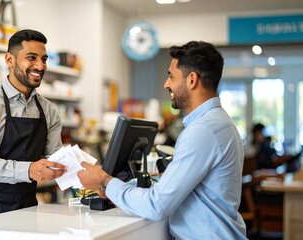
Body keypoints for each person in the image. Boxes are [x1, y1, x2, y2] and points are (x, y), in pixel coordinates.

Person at [78, 41, 247, 239]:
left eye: (171, 76)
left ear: (192, 80)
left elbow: (156, 206)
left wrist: (104, 180)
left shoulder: (202, 130)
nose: (166, 84)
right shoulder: (219, 122)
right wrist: (121, 189)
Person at [0, 29, 66, 217]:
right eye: (31, 58)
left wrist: (96, 177)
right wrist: (29, 170)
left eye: (44, 59)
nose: (40, 66)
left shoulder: (48, 110)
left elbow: (56, 157)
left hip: (26, 206)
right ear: (9, 60)